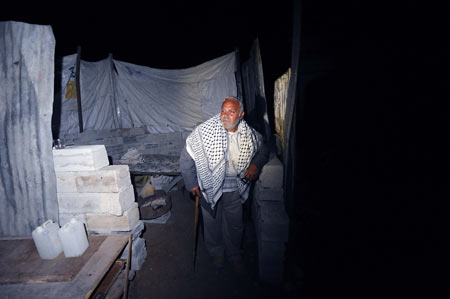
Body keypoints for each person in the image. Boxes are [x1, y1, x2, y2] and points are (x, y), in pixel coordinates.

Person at [179, 96, 270, 272]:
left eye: (231, 111)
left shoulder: (249, 134)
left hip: (235, 188)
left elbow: (264, 149)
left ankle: (234, 253)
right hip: (209, 186)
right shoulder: (205, 131)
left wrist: (255, 164)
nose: (225, 115)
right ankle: (216, 252)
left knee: (235, 223)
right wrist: (191, 183)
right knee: (212, 222)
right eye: (223, 110)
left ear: (241, 115)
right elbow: (186, 157)